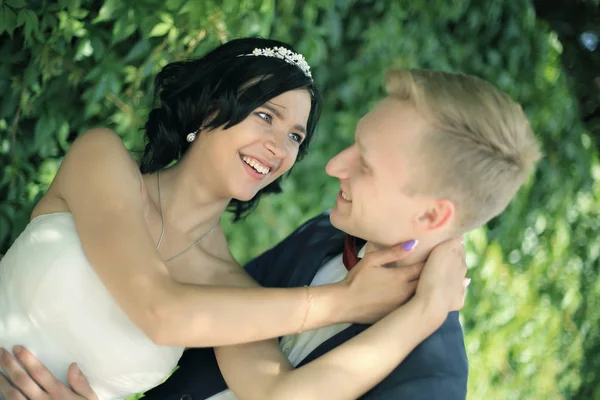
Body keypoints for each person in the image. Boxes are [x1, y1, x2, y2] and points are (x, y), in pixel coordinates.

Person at [0, 67, 540, 400]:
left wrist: (423, 315)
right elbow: (164, 314)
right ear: (213, 105)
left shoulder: (431, 384)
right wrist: (339, 301)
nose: (327, 164)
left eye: (296, 135)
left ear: (432, 218)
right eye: (264, 114)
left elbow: (279, 392)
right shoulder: (315, 241)